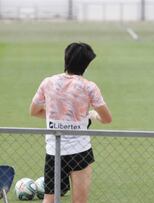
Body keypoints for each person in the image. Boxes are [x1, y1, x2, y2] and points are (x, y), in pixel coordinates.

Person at [30, 42, 112, 203]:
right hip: (80, 151)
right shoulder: (89, 87)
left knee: (49, 200)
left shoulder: (48, 82)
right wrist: (92, 115)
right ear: (85, 65)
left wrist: (57, 117)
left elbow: (34, 111)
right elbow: (107, 118)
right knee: (79, 201)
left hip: (54, 150)